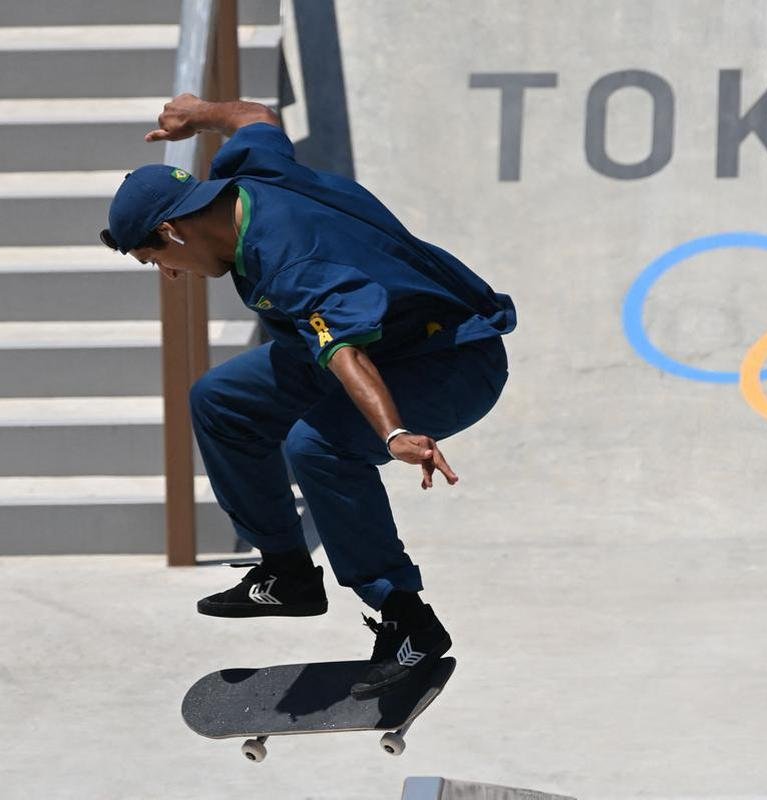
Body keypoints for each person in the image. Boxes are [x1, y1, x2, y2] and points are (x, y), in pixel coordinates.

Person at [99, 94, 515, 699]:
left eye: (156, 260)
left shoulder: (292, 263)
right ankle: (288, 572)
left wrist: (394, 434)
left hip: (450, 359)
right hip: (378, 342)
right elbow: (258, 118)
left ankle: (407, 621)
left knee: (320, 446)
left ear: (171, 231)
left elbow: (345, 352)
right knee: (220, 401)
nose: (168, 274)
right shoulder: (246, 178)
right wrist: (203, 113)